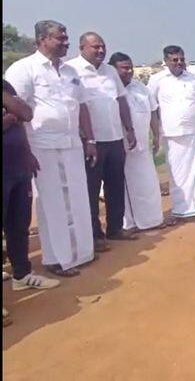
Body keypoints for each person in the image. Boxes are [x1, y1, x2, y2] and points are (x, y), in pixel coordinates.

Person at [5, 20, 96, 277]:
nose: (66, 42)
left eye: (66, 37)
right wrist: (25, 152)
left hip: (71, 144)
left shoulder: (70, 72)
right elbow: (16, 112)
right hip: (41, 146)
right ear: (42, 40)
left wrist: (89, 140)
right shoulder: (23, 69)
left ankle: (81, 252)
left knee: (77, 198)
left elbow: (82, 107)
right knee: (52, 202)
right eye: (60, 38)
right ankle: (57, 259)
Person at [66, 32, 139, 245]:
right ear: (82, 48)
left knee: (115, 185)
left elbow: (121, 100)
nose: (100, 50)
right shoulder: (72, 70)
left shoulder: (110, 71)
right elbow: (76, 105)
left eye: (103, 46)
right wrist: (87, 138)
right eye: (95, 47)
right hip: (90, 141)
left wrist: (129, 128)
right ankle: (94, 234)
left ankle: (115, 228)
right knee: (90, 187)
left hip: (115, 138)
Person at [3, 79, 60, 324]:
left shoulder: (5, 86)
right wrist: (7, 118)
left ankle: (22, 275)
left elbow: (25, 114)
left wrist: (27, 153)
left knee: (18, 225)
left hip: (17, 167)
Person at [109, 52, 171, 231]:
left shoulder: (141, 88)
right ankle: (128, 223)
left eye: (130, 67)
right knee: (124, 187)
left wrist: (156, 135)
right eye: (124, 68)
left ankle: (151, 220)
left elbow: (152, 112)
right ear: (113, 69)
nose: (129, 71)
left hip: (143, 146)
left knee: (148, 183)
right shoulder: (110, 89)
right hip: (122, 147)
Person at [148, 45, 195, 218]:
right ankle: (181, 210)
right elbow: (152, 106)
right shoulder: (157, 79)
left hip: (193, 131)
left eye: (182, 59)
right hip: (172, 133)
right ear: (166, 61)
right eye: (175, 60)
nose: (179, 63)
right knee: (178, 173)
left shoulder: (192, 78)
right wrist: (156, 132)